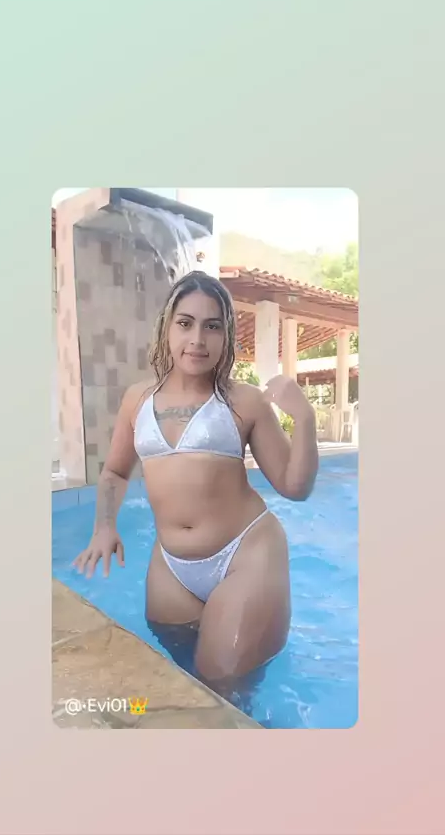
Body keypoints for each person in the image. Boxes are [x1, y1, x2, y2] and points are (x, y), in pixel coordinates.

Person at [73, 270, 318, 683]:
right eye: (185, 323)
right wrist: (104, 526)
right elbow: (115, 472)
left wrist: (305, 418)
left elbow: (295, 488)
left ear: (226, 335)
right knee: (178, 675)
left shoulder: (244, 402)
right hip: (172, 567)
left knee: (223, 684)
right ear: (166, 328)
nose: (198, 340)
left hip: (245, 555)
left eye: (212, 326)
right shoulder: (138, 400)